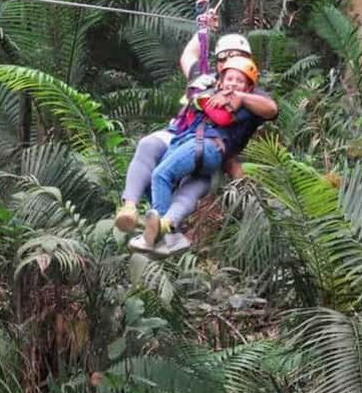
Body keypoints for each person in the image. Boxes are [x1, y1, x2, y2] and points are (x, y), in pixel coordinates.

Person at [114, 31, 278, 245]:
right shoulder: (205, 80)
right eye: (224, 57)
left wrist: (239, 96)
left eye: (238, 56)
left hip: (213, 150)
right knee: (149, 147)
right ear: (218, 62)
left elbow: (271, 109)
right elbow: (188, 56)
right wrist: (203, 31)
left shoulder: (251, 91)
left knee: (181, 181)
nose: (231, 61)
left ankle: (162, 226)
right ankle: (137, 211)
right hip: (182, 137)